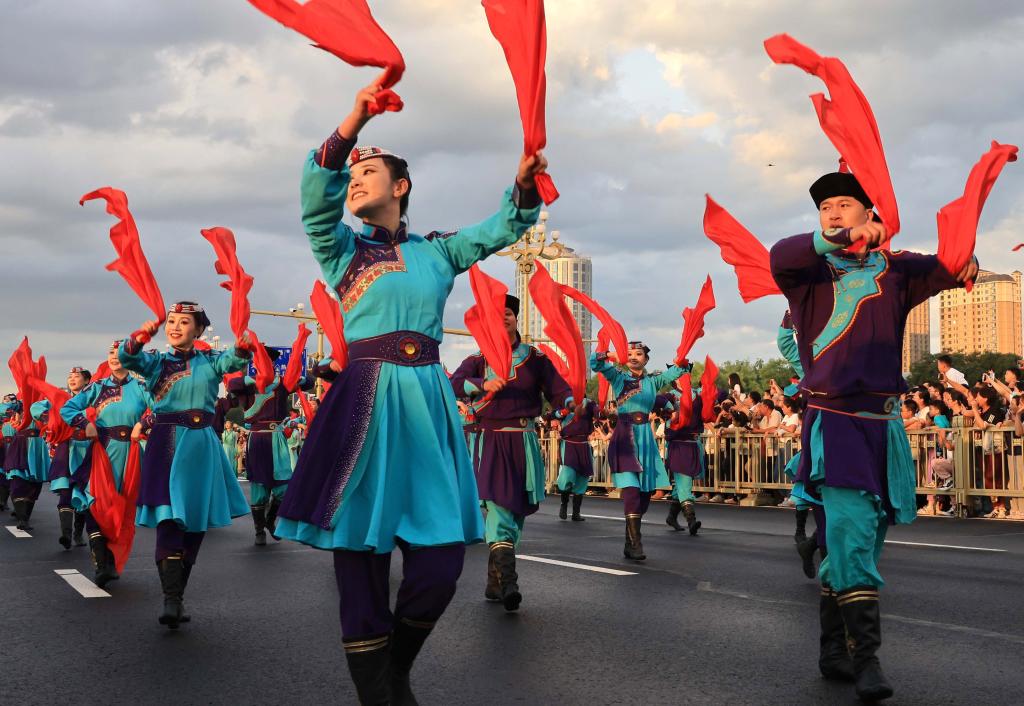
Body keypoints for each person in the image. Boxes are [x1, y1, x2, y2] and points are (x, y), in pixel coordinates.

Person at [270, 76, 548, 704]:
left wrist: (524, 185)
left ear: (400, 188)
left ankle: (394, 668)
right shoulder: (342, 250)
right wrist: (354, 123)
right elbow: (316, 199)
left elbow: (502, 227)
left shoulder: (438, 252)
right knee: (360, 553)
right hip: (363, 403)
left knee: (441, 562)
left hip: (425, 404)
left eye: (369, 172)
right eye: (353, 174)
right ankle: (380, 692)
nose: (356, 180)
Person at [770, 168, 978, 702]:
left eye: (844, 204)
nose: (832, 213)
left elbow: (949, 265)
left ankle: (831, 651)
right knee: (851, 535)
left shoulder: (896, 268)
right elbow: (780, 254)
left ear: (871, 212)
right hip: (836, 422)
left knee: (862, 540)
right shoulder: (809, 272)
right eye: (824, 208)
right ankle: (866, 659)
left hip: (885, 426)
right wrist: (839, 237)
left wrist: (968, 264)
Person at [119, 302, 253, 629]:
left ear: (199, 330)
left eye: (184, 322)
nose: (175, 327)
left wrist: (242, 346)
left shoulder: (211, 361)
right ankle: (170, 598)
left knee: (194, 521)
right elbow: (129, 358)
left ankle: (176, 598)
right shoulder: (156, 362)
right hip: (166, 441)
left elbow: (234, 360)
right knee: (169, 518)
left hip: (201, 445)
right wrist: (140, 337)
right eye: (171, 322)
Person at [451, 295, 572, 611]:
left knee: (516, 512)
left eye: (507, 313)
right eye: (496, 315)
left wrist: (569, 402)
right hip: (491, 441)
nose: (503, 318)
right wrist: (482, 384)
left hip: (525, 442)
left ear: (516, 318)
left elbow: (558, 388)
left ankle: (494, 579)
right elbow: (454, 384)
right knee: (500, 509)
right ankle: (509, 584)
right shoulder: (478, 359)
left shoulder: (534, 357)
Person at [61, 343, 150, 587]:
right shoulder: (97, 387)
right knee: (95, 502)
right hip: (102, 451)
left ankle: (111, 561)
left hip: (130, 455)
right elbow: (67, 408)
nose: (115, 357)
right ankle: (101, 565)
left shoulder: (141, 387)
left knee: (122, 507)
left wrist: (143, 424)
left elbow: (162, 408)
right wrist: (85, 423)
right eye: (111, 353)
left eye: (120, 353)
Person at [591, 342, 687, 560]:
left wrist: (681, 362)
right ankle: (636, 543)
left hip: (645, 438)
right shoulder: (618, 377)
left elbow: (677, 371)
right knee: (632, 491)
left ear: (646, 359)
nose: (633, 357)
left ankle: (629, 539)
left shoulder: (653, 381)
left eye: (639, 354)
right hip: (624, 437)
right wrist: (611, 354)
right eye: (629, 353)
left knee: (644, 495)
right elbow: (594, 362)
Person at [228, 349, 314, 545]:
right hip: (258, 439)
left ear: (274, 363)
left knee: (284, 487)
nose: (262, 363)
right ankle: (259, 530)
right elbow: (232, 385)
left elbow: (309, 382)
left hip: (278, 439)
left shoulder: (282, 383)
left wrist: (296, 377)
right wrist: (252, 379)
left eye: (267, 360)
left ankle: (270, 520)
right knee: (259, 488)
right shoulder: (248, 384)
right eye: (259, 360)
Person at [47, 367, 93, 550]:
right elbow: (37, 408)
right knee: (66, 491)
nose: (72, 379)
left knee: (81, 491)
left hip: (87, 449)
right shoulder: (61, 398)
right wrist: (49, 418)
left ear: (87, 380)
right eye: (70, 376)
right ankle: (66, 534)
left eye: (77, 376)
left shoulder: (94, 398)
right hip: (67, 449)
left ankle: (78, 533)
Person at [664, 385, 704, 535]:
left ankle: (672, 516)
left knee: (680, 486)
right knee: (685, 484)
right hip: (679, 445)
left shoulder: (697, 393)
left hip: (692, 444)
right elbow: (665, 415)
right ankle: (691, 520)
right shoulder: (671, 396)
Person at [7, 397, 51, 531]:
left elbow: (44, 414)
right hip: (21, 443)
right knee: (18, 478)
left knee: (35, 484)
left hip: (36, 444)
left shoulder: (41, 404)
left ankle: (24, 518)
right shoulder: (20, 405)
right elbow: (7, 410)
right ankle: (22, 518)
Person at [554, 396, 600, 522]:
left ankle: (576, 512)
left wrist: (598, 415)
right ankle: (564, 505)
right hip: (569, 445)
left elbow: (597, 411)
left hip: (583, 445)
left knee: (582, 479)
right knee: (567, 476)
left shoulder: (588, 403)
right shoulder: (567, 401)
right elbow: (555, 414)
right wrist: (566, 410)